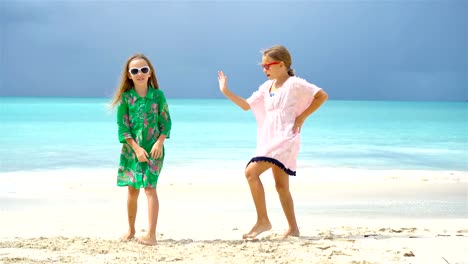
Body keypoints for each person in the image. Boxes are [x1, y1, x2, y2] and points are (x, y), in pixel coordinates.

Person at [217, 45, 328, 239]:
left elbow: (321, 96)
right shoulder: (266, 87)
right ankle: (293, 229)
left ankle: (263, 221)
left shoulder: (294, 84)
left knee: (251, 172)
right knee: (281, 186)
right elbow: (246, 106)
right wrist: (225, 90)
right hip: (269, 139)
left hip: (286, 138)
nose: (265, 69)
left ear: (282, 65)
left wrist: (302, 117)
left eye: (268, 65)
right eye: (263, 66)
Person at [111, 53, 172, 246]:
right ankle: (131, 230)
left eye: (144, 69)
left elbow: (166, 123)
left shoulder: (158, 95)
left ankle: (152, 235)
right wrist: (136, 149)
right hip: (131, 151)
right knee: (132, 190)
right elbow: (123, 128)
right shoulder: (126, 99)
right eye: (135, 70)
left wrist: (159, 143)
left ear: (149, 72)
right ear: (129, 75)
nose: (140, 73)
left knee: (150, 189)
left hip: (154, 150)